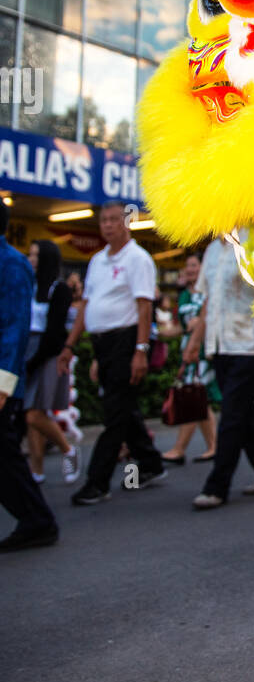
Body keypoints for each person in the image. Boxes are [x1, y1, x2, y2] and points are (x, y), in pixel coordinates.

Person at [59, 201, 166, 505]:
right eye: (103, 221)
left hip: (127, 342)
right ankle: (151, 463)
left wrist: (140, 351)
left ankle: (97, 482)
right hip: (103, 344)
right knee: (123, 408)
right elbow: (87, 309)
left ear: (126, 222)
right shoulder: (96, 261)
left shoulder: (138, 259)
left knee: (114, 414)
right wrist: (71, 346)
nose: (107, 225)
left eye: (113, 220)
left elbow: (144, 308)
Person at [182, 234, 254, 508]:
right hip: (219, 344)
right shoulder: (212, 250)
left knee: (231, 415)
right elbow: (208, 302)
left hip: (248, 345)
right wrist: (195, 343)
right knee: (244, 416)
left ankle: (217, 486)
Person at [0, 203, 60, 551]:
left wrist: (4, 384)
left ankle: (38, 521)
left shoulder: (11, 263)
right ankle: (36, 520)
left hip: (4, 381)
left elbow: (14, 329)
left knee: (5, 456)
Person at [24, 240, 80, 484]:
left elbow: (55, 331)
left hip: (48, 355)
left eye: (36, 255)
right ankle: (36, 470)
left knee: (35, 414)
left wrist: (34, 359)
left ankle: (68, 450)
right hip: (27, 351)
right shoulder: (29, 285)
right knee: (31, 413)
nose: (32, 259)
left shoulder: (59, 289)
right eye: (30, 254)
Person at [162, 253, 217, 464]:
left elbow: (210, 318)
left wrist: (199, 325)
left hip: (202, 352)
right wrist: (159, 331)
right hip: (187, 352)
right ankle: (213, 446)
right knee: (199, 399)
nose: (190, 269)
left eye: (194, 265)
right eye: (188, 266)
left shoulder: (208, 293)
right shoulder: (184, 295)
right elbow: (180, 327)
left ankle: (179, 448)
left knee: (194, 396)